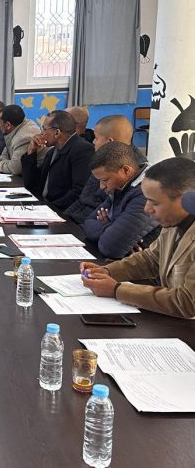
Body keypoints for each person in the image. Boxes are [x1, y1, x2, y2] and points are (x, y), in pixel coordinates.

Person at [80, 157, 195, 319]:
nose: (147, 209)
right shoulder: (174, 221)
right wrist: (107, 271)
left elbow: (188, 302)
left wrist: (116, 290)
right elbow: (151, 259)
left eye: (154, 203)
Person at [82, 142, 160, 260]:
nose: (101, 187)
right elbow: (88, 222)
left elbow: (110, 248)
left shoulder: (145, 194)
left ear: (126, 170)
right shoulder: (120, 187)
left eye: (105, 180)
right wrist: (111, 227)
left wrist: (108, 227)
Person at [63, 115, 138, 224]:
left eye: (96, 138)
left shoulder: (130, 169)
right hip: (80, 221)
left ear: (110, 141)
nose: (93, 142)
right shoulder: (101, 160)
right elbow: (83, 199)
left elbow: (102, 213)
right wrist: (62, 219)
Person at [21, 110, 94, 211]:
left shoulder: (82, 150)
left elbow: (79, 191)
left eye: (44, 129)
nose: (41, 133)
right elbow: (31, 183)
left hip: (63, 212)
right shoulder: (52, 152)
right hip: (45, 206)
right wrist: (31, 151)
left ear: (57, 133)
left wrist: (50, 208)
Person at [0, 105, 39, 176]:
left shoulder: (24, 137)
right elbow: (4, 156)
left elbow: (16, 168)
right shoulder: (15, 129)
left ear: (8, 125)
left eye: (0, 121)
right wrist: (1, 163)